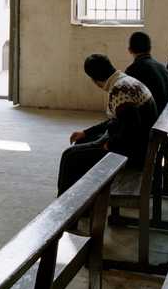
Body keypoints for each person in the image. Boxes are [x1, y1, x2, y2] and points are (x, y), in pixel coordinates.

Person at [57, 54, 157, 195]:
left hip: (133, 153)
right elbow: (117, 120)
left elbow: (131, 128)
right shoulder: (125, 81)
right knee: (82, 141)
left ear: (94, 80)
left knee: (70, 156)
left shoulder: (119, 91)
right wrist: (86, 132)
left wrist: (110, 145)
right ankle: (81, 199)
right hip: (140, 145)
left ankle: (67, 207)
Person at [125, 31, 168, 115]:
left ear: (130, 50)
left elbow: (128, 104)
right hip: (166, 118)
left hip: (151, 121)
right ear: (150, 48)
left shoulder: (133, 70)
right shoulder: (162, 67)